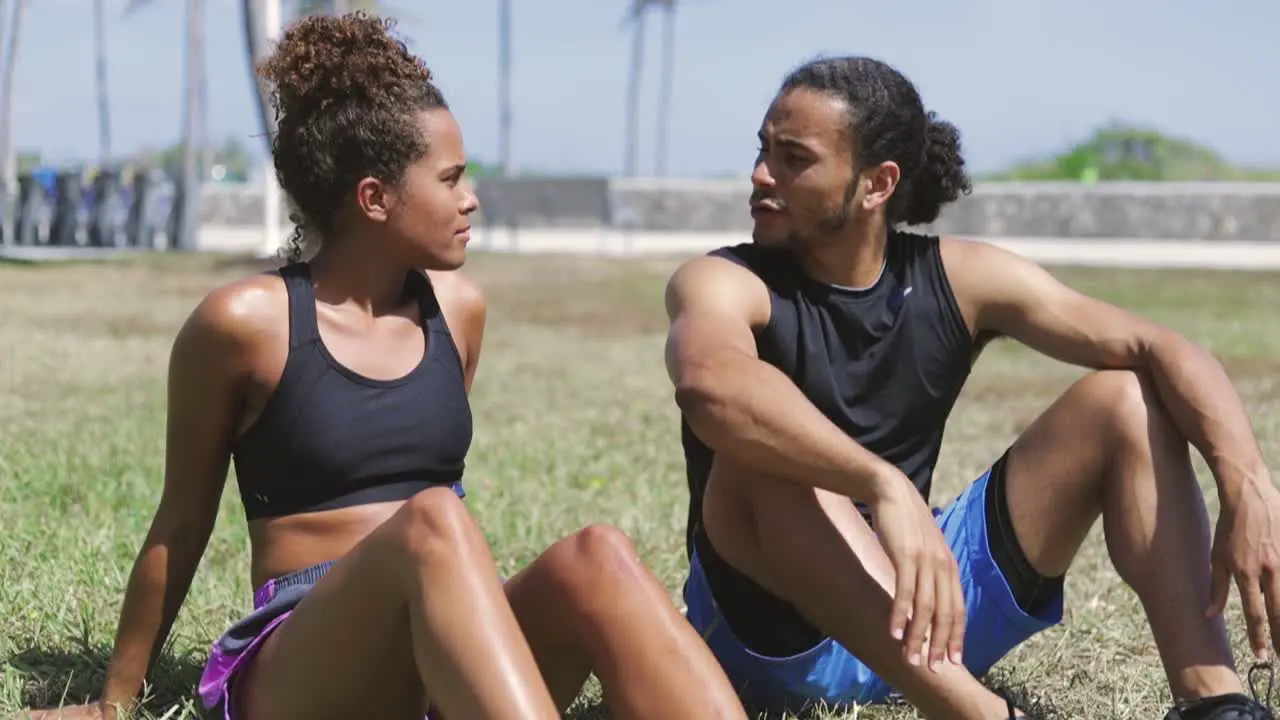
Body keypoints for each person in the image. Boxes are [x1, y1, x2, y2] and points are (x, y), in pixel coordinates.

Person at [26, 13, 747, 720]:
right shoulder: (246, 323)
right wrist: (113, 702)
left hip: (454, 626)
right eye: (450, 179)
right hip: (307, 656)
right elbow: (181, 523)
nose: (471, 199)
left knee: (601, 554)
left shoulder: (457, 311)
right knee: (433, 521)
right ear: (375, 198)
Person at [663, 55, 1280, 720]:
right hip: (778, 642)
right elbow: (710, 383)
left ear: (876, 185)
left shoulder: (959, 278)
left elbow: (1160, 346)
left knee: (1125, 399)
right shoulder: (724, 281)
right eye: (764, 151)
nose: (762, 176)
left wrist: (1246, 482)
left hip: (928, 611)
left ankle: (1215, 703)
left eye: (793, 158)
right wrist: (882, 483)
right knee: (761, 461)